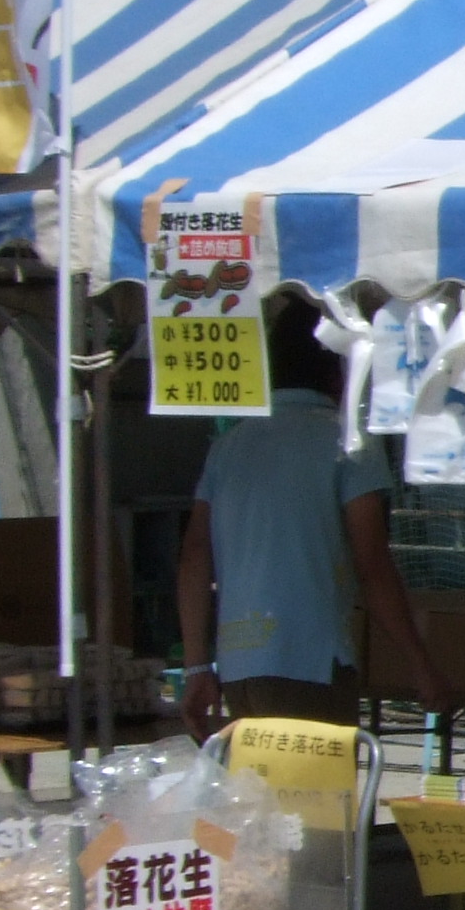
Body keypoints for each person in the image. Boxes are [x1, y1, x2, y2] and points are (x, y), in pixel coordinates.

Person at [178, 309, 443, 732]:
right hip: (311, 663)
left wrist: (196, 668)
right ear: (342, 370)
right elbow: (372, 567)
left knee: (258, 798)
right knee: (319, 797)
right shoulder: (348, 444)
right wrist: (420, 664)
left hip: (238, 665)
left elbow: (193, 558)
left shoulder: (228, 446)